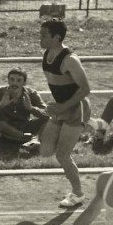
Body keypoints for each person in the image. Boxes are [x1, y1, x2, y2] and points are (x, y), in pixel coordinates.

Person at [38, 17, 92, 208]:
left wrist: (63, 106)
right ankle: (92, 127)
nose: (40, 39)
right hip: (61, 107)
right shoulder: (46, 55)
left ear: (56, 37)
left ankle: (77, 194)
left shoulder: (70, 60)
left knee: (62, 155)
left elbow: (85, 89)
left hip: (76, 109)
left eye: (44, 36)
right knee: (45, 151)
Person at [0, 67, 48, 143]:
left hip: (24, 125)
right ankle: (28, 139)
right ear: (8, 81)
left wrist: (31, 108)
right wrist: (0, 106)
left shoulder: (31, 93)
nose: (14, 83)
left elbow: (49, 114)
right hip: (5, 127)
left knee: (49, 121)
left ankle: (35, 140)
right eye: (12, 79)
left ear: (24, 83)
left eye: (19, 80)